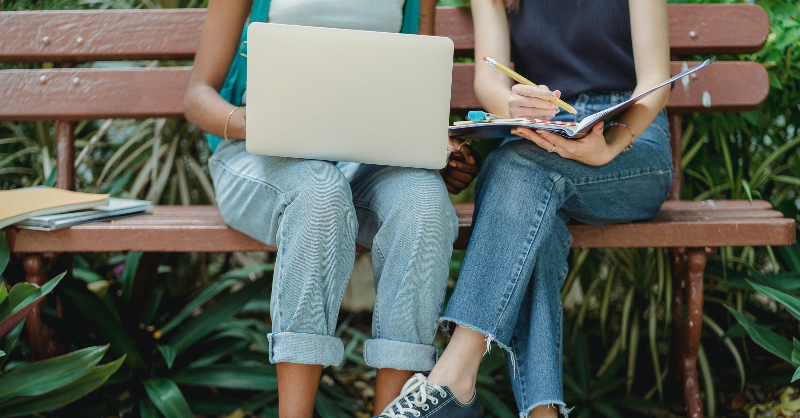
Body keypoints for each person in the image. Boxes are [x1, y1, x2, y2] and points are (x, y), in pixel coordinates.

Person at [182, 1, 480, 417]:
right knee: (320, 192)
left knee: (425, 203)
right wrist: (266, 124)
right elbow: (198, 96)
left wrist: (433, 148)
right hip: (260, 156)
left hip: (367, 157)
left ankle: (393, 413)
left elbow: (415, 88)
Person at [378, 0, 673, 417]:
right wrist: (514, 105)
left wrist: (608, 145)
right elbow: (490, 82)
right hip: (544, 134)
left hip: (629, 137)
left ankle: (453, 377)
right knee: (534, 216)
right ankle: (541, 413)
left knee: (513, 167)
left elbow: (656, 82)